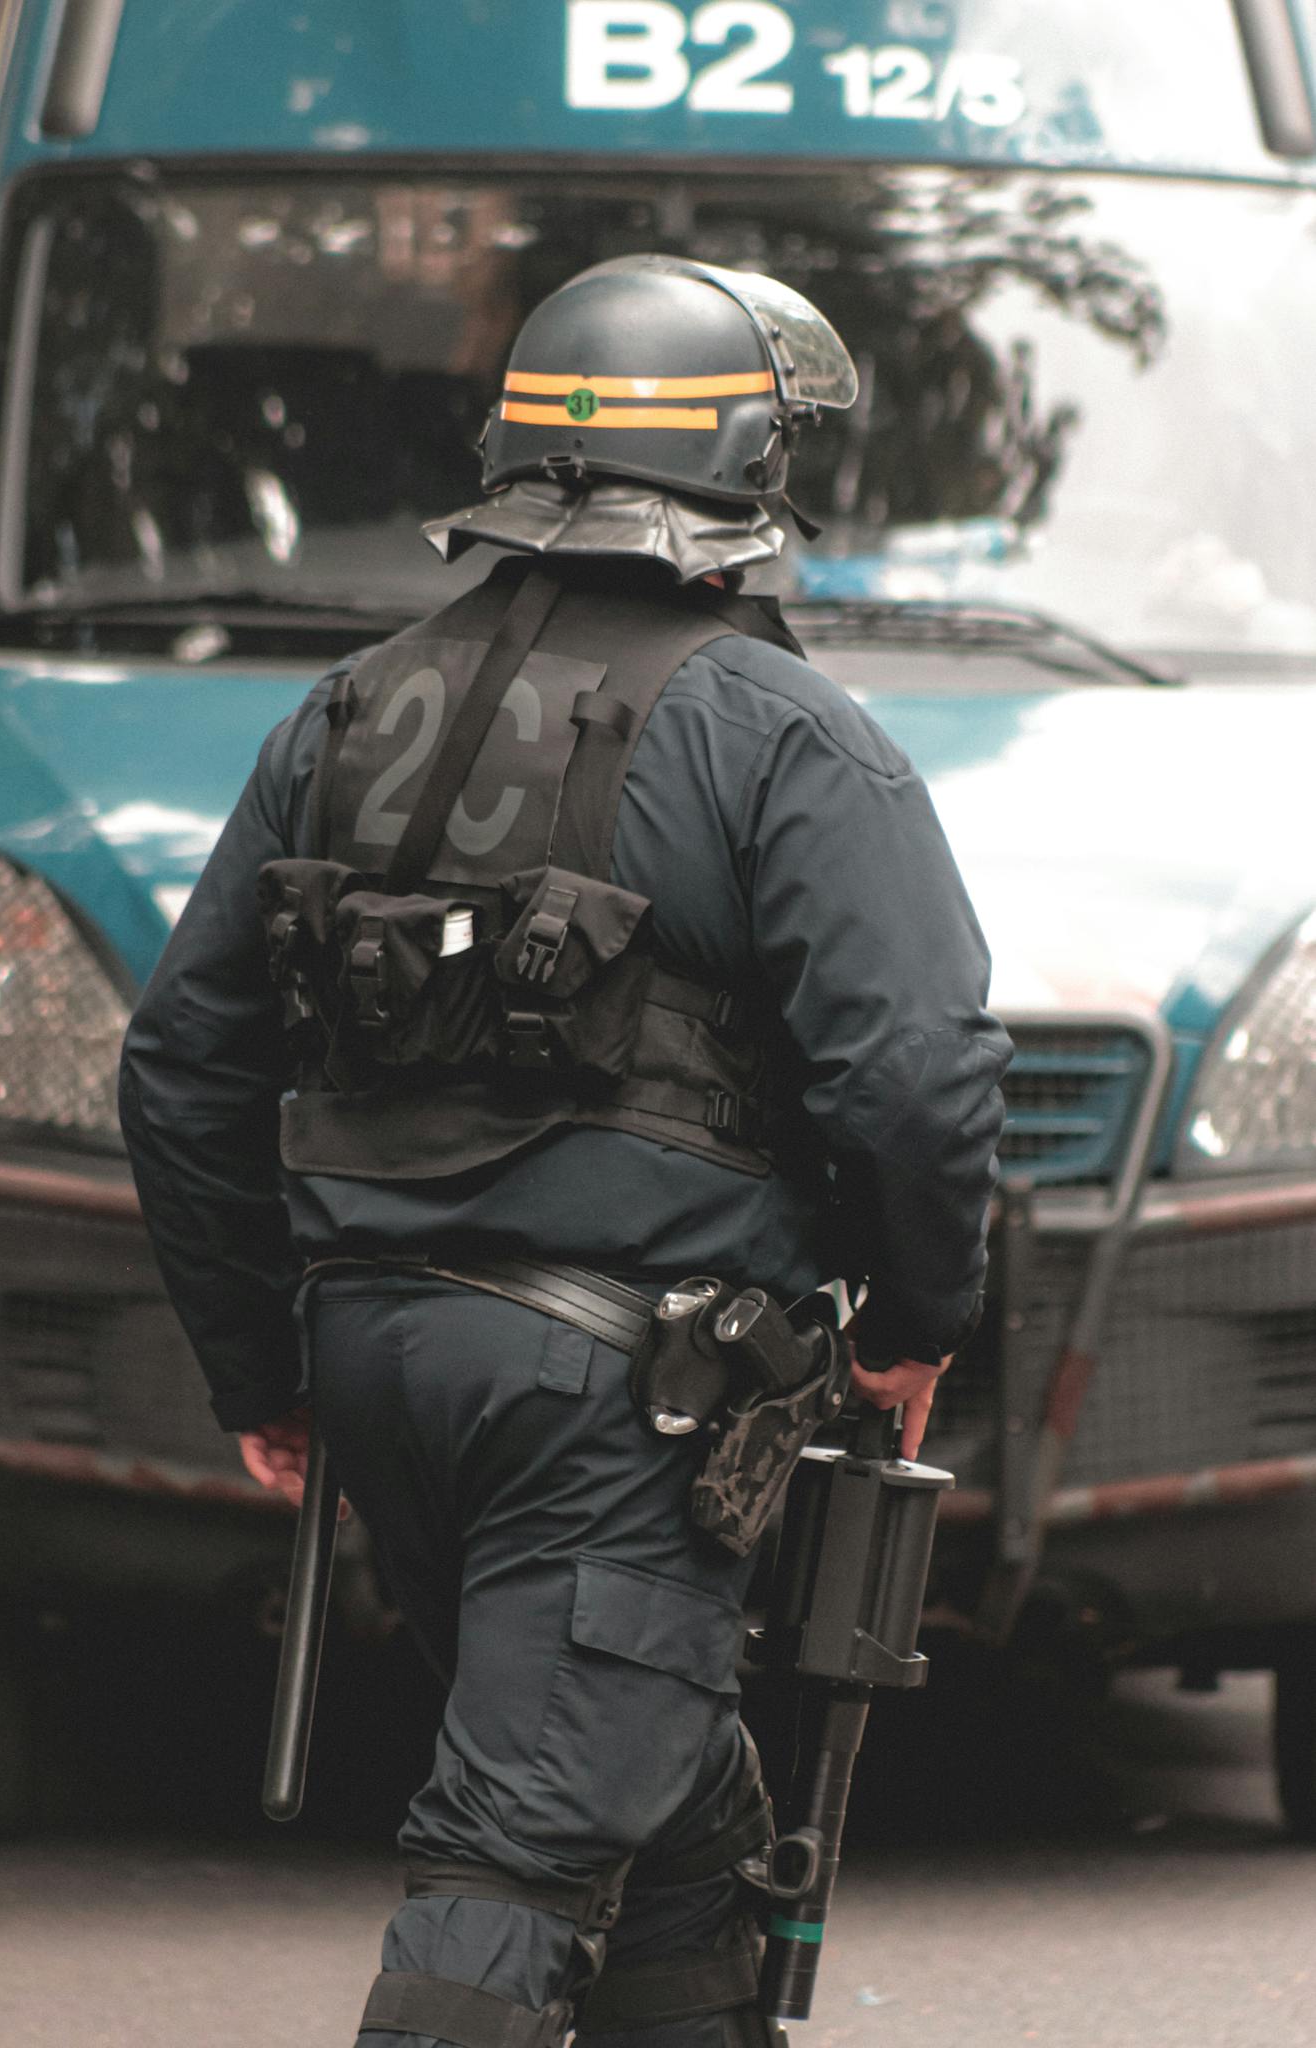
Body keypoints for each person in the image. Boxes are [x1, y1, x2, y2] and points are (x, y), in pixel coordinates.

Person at [119, 254, 1011, 2048]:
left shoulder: (351, 711)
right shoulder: (788, 737)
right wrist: (916, 1322)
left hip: (380, 1362)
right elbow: (911, 1078)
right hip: (619, 1402)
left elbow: (181, 1066)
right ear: (753, 471)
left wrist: (260, 1363)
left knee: (663, 1823)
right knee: (516, 1848)